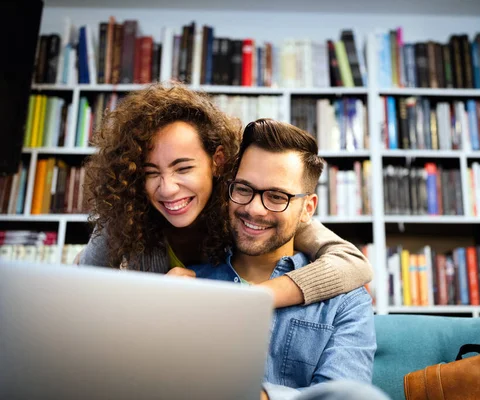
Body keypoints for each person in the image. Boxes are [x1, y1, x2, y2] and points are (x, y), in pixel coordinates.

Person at [79, 83, 372, 308]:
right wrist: (153, 300)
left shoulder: (244, 206)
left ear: (217, 161)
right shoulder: (128, 217)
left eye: (183, 168)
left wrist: (250, 300)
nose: (167, 188)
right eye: (150, 172)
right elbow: (80, 298)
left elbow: (352, 263)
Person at [187, 119, 381, 400]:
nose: (254, 209)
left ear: (307, 209)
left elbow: (345, 395)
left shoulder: (345, 301)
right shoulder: (189, 284)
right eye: (243, 189)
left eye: (277, 196)